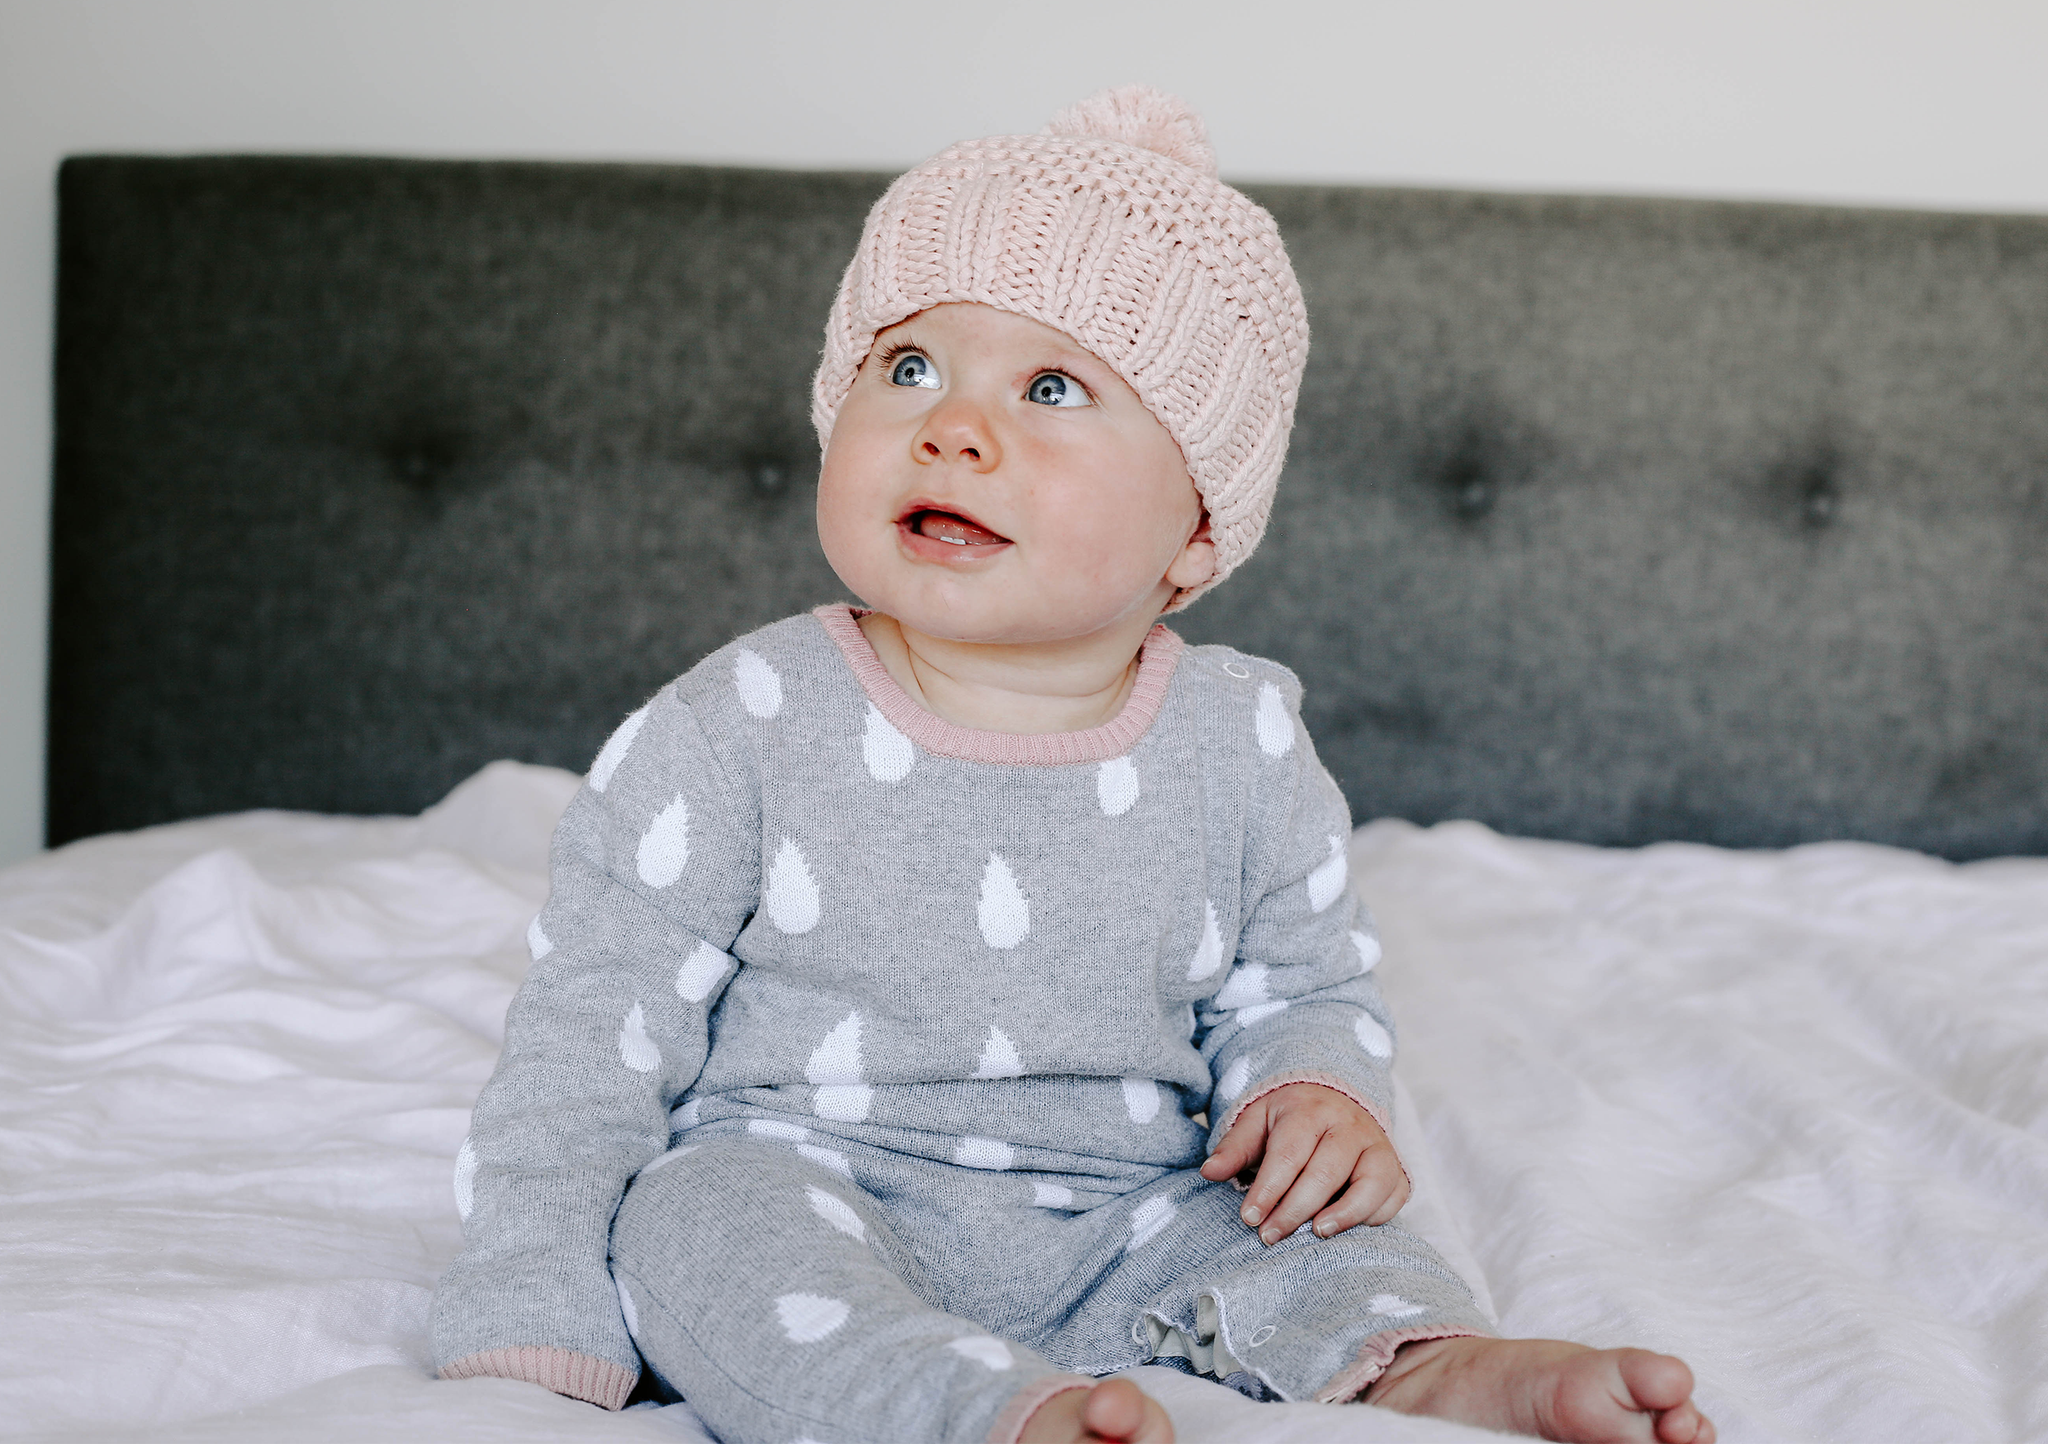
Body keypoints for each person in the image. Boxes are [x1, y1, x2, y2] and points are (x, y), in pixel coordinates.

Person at [431, 86, 1715, 1444]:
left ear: (1195, 535)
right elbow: (590, 1035)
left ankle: (1449, 1372)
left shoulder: (1242, 743)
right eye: (909, 366)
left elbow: (1306, 980)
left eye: (1052, 388)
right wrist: (534, 1293)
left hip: (1137, 1207)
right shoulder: (742, 718)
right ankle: (971, 1409)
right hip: (812, 1182)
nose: (955, 426)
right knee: (691, 1227)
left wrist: (1314, 1091)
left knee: (1331, 1232)